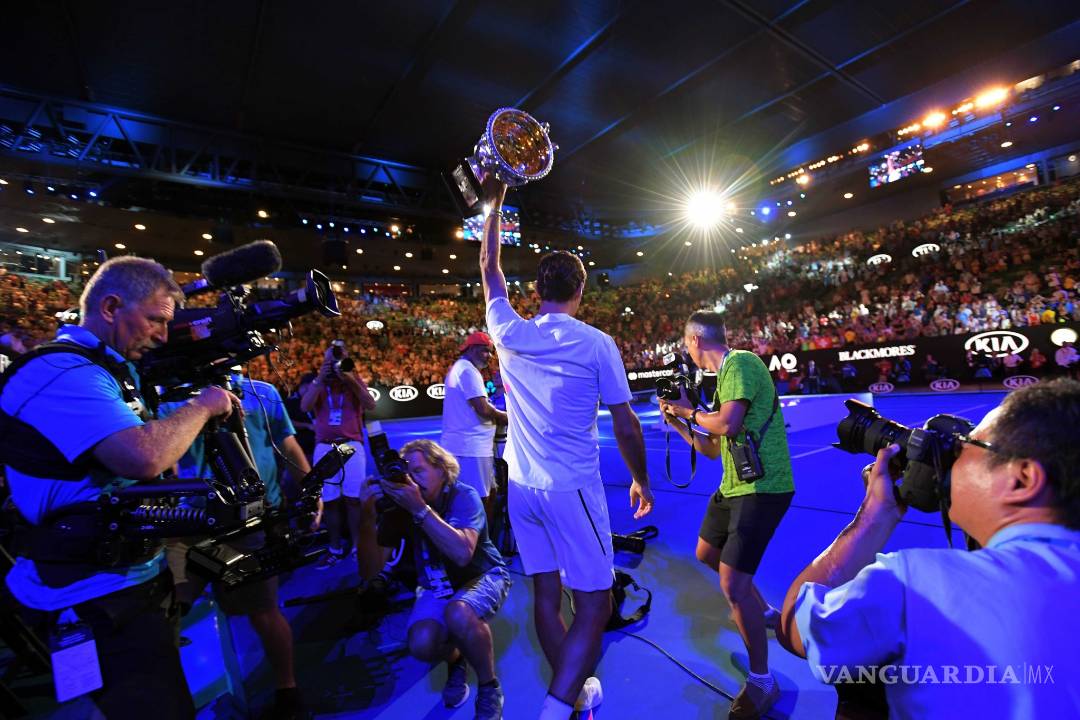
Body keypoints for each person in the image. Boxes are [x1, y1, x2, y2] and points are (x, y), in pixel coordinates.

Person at [0, 256, 240, 718]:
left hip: (123, 579)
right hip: (91, 593)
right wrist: (204, 405)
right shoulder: (62, 372)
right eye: (155, 320)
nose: (163, 335)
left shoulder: (105, 369)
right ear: (110, 307)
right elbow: (143, 456)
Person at [776, 379, 1080, 718]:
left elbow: (792, 625)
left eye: (965, 446)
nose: (950, 460)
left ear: (1021, 479)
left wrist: (874, 517)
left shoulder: (916, 585)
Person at [480, 179, 654, 720]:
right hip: (571, 488)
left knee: (546, 596)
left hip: (521, 487)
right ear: (580, 291)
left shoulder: (508, 330)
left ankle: (575, 696)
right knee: (596, 603)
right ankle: (555, 711)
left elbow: (489, 268)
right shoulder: (596, 343)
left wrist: (494, 205)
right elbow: (626, 424)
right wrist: (641, 479)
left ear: (536, 290)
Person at [659, 311, 795, 719]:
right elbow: (712, 447)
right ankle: (765, 612)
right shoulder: (723, 380)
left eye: (686, 343)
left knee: (733, 584)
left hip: (763, 487)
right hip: (733, 487)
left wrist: (688, 412)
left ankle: (762, 681)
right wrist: (678, 422)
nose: (686, 351)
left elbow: (728, 424)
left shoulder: (741, 363)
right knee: (706, 553)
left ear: (696, 340)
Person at [159, 371, 313, 719]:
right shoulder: (172, 398)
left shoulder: (264, 393)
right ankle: (168, 698)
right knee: (171, 608)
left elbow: (287, 444)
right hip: (193, 523)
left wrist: (310, 491)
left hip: (252, 523)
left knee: (263, 610)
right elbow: (166, 461)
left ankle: (288, 691)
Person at [375, 439, 511, 720]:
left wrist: (419, 510)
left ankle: (489, 688)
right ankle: (457, 659)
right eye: (406, 473)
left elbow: (462, 554)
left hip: (483, 574)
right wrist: (368, 514)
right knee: (421, 643)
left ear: (442, 469)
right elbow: (372, 571)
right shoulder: (402, 505)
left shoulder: (463, 495)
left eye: (419, 471)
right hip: (438, 583)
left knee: (458, 612)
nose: (411, 480)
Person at [300, 342, 379, 577]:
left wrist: (350, 379)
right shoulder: (320, 382)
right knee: (331, 501)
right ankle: (335, 547)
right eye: (332, 359)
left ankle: (356, 546)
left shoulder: (353, 379)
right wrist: (320, 378)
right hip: (325, 446)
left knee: (354, 500)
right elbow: (305, 405)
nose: (335, 364)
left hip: (352, 445)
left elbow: (370, 404)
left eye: (340, 358)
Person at [441, 331, 508, 524]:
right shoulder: (468, 370)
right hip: (470, 449)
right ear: (471, 349)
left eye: (490, 351)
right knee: (479, 500)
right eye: (485, 350)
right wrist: (508, 418)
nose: (489, 356)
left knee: (490, 492)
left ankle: (480, 537)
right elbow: (483, 409)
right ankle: (478, 540)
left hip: (467, 447)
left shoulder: (461, 368)